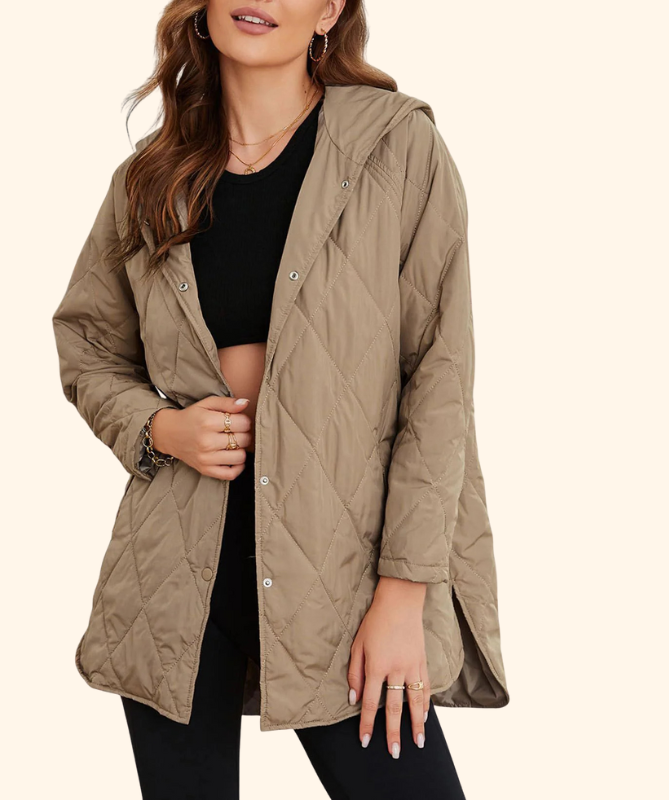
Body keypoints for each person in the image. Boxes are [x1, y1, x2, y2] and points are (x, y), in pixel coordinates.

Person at [52, 2, 509, 798]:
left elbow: (439, 384)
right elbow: (87, 344)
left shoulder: (396, 148)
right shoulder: (150, 179)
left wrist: (403, 595)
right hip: (177, 577)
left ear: (329, 10)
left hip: (343, 570)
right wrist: (160, 427)